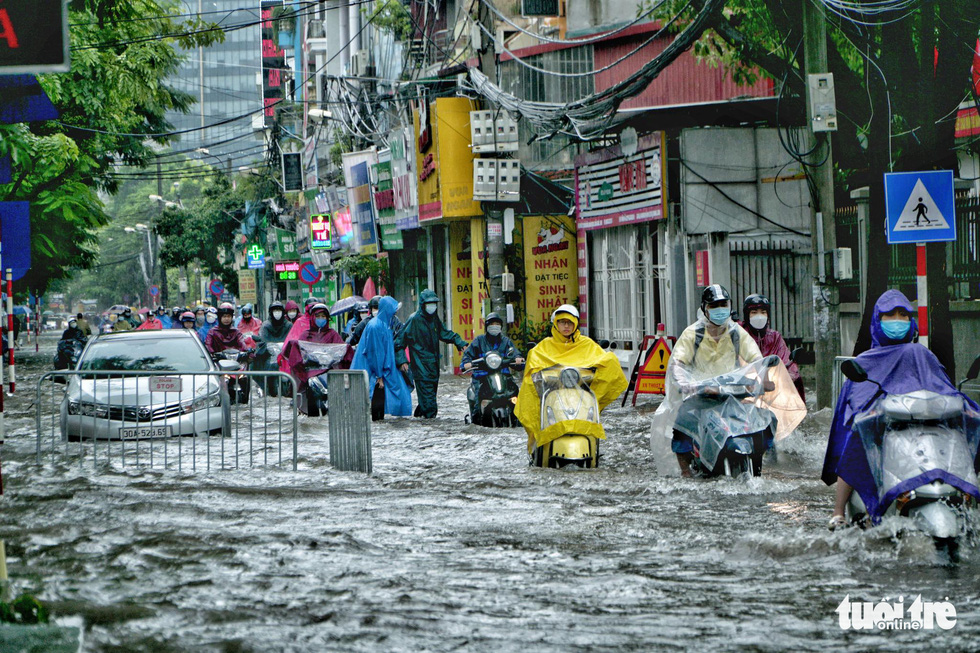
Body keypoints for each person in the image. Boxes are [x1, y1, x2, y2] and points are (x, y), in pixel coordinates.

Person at [821, 289, 970, 530]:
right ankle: (838, 511)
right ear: (878, 321)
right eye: (890, 315)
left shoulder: (921, 354)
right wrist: (868, 413)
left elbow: (943, 387)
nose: (897, 320)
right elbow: (854, 402)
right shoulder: (866, 360)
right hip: (882, 428)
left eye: (903, 314)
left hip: (921, 425)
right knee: (855, 437)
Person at [669, 284, 763, 477]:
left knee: (760, 425)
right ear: (705, 308)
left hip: (730, 394)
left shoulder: (737, 333)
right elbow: (678, 363)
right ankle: (685, 472)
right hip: (700, 394)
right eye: (715, 305)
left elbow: (757, 359)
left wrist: (761, 379)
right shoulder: (693, 333)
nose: (720, 309)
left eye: (724, 304)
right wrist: (685, 383)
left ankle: (759, 467)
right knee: (682, 425)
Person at [514, 305, 627, 450]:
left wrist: (595, 394)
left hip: (580, 394)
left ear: (575, 324)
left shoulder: (586, 344)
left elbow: (606, 362)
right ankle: (538, 437)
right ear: (556, 324)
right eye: (562, 322)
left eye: (570, 322)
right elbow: (532, 371)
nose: (566, 326)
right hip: (553, 393)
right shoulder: (543, 347)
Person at [394, 289, 468, 418]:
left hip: (433, 367)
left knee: (428, 400)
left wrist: (459, 342)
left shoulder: (434, 318)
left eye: (434, 303)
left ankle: (420, 419)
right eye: (429, 303)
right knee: (430, 406)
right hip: (420, 368)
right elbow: (399, 342)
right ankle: (429, 423)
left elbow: (444, 333)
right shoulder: (414, 320)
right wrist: (402, 361)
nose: (432, 306)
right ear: (423, 304)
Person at [351, 296, 413, 420]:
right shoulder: (376, 326)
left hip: (382, 370)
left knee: (396, 395)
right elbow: (375, 353)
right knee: (377, 401)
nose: (395, 313)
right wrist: (379, 375)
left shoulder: (385, 325)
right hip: (374, 372)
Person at [740, 294, 805, 401]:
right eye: (754, 313)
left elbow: (785, 360)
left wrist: (789, 375)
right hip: (746, 388)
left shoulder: (774, 337)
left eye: (763, 312)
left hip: (772, 386)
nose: (759, 316)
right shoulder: (740, 334)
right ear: (747, 315)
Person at [461, 313, 525, 423]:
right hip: (482, 377)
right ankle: (476, 422)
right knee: (478, 399)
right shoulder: (479, 341)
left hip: (503, 376)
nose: (494, 326)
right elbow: (467, 356)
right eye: (492, 324)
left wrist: (518, 358)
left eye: (497, 324)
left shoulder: (506, 341)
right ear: (487, 326)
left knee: (515, 393)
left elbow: (515, 353)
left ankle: (518, 420)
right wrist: (467, 363)